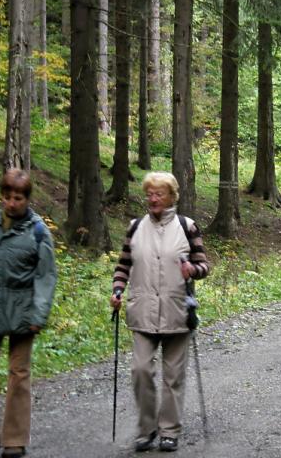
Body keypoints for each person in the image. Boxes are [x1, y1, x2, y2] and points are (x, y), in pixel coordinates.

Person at [110, 172, 209, 453]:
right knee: (140, 370)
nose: (153, 199)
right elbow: (123, 266)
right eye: (149, 194)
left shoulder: (187, 226)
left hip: (177, 310)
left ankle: (169, 430)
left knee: (173, 376)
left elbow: (204, 266)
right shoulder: (135, 227)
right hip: (142, 310)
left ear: (171, 196)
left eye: (159, 194)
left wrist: (193, 270)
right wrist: (117, 290)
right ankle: (146, 428)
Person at [0, 169, 57, 458]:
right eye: (7, 197)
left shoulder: (38, 232)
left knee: (18, 374)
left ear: (27, 198)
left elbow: (46, 276)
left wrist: (38, 315)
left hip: (23, 313)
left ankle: (14, 439)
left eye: (17, 198)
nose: (11, 203)